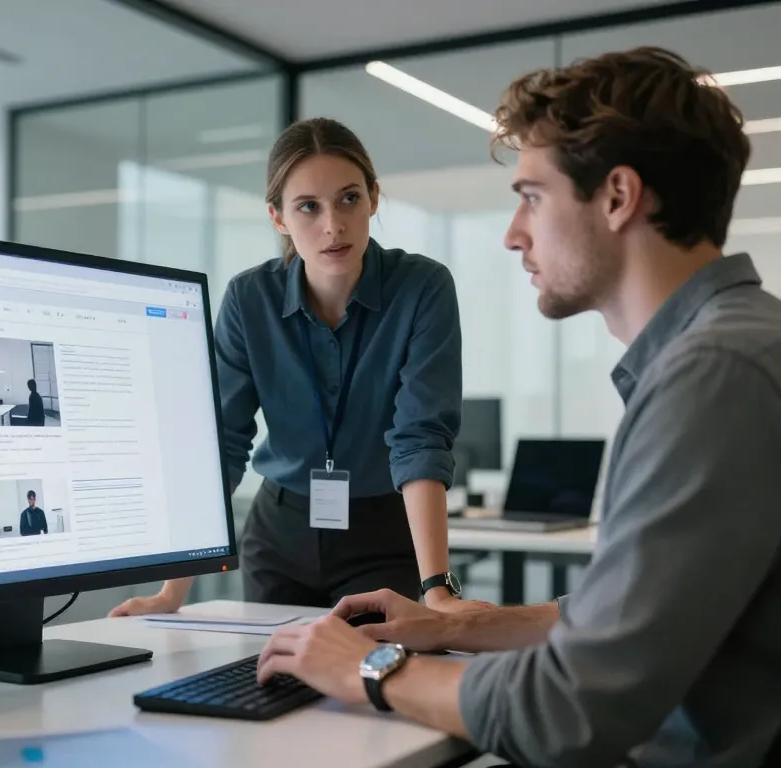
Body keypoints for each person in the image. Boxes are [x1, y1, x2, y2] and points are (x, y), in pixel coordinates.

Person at [255, 47, 781, 768]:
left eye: (532, 196)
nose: (512, 233)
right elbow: (629, 621)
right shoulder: (731, 349)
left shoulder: (713, 377)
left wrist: (370, 670)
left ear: (619, 197)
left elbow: (571, 709)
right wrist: (465, 625)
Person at [111, 117, 482, 617]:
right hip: (279, 531)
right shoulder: (249, 298)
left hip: (379, 529)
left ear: (373, 197)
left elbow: (420, 438)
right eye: (309, 206)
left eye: (349, 198)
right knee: (266, 680)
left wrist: (437, 588)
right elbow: (221, 443)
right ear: (279, 217)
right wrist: (170, 593)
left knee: (360, 678)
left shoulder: (422, 289)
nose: (333, 225)